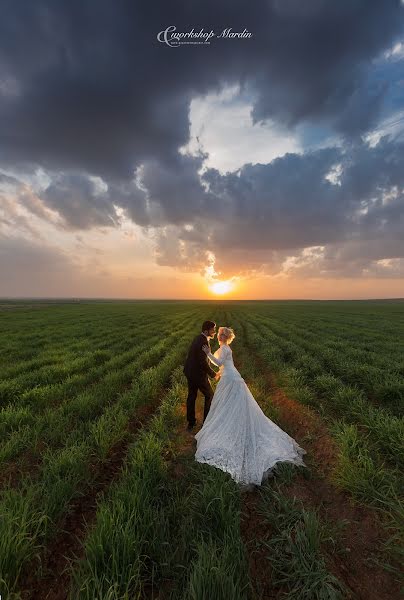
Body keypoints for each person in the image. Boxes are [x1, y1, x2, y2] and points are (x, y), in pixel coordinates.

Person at [194, 326, 307, 486]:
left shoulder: (225, 348)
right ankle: (231, 424)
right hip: (228, 377)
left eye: (221, 335)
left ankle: (235, 426)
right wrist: (217, 370)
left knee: (231, 405)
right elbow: (221, 364)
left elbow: (219, 361)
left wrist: (207, 353)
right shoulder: (223, 348)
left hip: (231, 379)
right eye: (219, 334)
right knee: (227, 405)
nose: (219, 336)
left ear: (226, 338)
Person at [183, 320, 219, 431]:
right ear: (206, 330)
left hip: (190, 372)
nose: (214, 331)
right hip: (198, 375)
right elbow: (202, 362)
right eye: (212, 329)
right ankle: (206, 422)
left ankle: (191, 423)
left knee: (192, 396)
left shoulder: (198, 338)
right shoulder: (204, 342)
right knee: (209, 395)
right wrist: (213, 374)